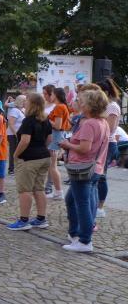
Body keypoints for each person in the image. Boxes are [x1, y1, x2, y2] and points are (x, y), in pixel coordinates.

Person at [59, 88, 111, 253]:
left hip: (83, 168)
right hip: (95, 167)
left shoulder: (89, 123)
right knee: (76, 200)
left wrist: (67, 144)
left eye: (82, 101)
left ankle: (84, 241)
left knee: (82, 204)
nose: (79, 103)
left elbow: (84, 148)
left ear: (90, 105)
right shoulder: (103, 122)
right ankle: (76, 234)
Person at [7, 93, 52, 230]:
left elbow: (25, 140)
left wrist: (15, 154)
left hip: (29, 159)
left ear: (32, 104)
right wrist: (40, 147)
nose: (25, 103)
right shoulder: (45, 119)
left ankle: (24, 220)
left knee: (24, 190)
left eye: (27, 101)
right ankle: (41, 218)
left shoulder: (29, 120)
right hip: (44, 156)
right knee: (39, 188)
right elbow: (49, 139)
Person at [96, 78, 123, 217]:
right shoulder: (105, 105)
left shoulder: (112, 106)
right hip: (101, 143)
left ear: (105, 92)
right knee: (97, 175)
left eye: (97, 92)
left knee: (101, 176)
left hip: (108, 144)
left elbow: (110, 128)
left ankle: (100, 207)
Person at [46, 87, 71, 199]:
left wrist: (46, 119)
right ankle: (57, 191)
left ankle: (58, 191)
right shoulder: (62, 106)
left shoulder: (59, 107)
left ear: (55, 95)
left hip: (56, 136)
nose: (50, 96)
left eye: (51, 94)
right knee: (53, 166)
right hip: (58, 136)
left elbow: (58, 125)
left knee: (53, 166)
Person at [6, 95, 26, 174]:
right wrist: (16, 134)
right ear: (22, 101)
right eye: (25, 100)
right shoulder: (14, 110)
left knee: (19, 151)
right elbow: (11, 124)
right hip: (13, 135)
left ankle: (17, 167)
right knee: (13, 151)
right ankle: (11, 169)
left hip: (19, 134)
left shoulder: (22, 110)